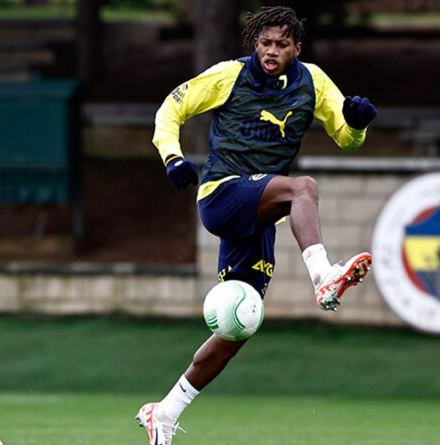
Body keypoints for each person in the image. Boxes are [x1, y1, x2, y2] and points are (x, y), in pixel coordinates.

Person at [136, 6, 377, 444]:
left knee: (239, 324)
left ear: (296, 48)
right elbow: (171, 109)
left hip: (259, 213)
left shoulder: (314, 82)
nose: (270, 51)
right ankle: (323, 275)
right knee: (303, 188)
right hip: (222, 195)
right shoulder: (230, 75)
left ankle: (165, 412)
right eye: (265, 43)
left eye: (281, 44)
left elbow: (345, 136)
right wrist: (172, 157)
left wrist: (357, 124)